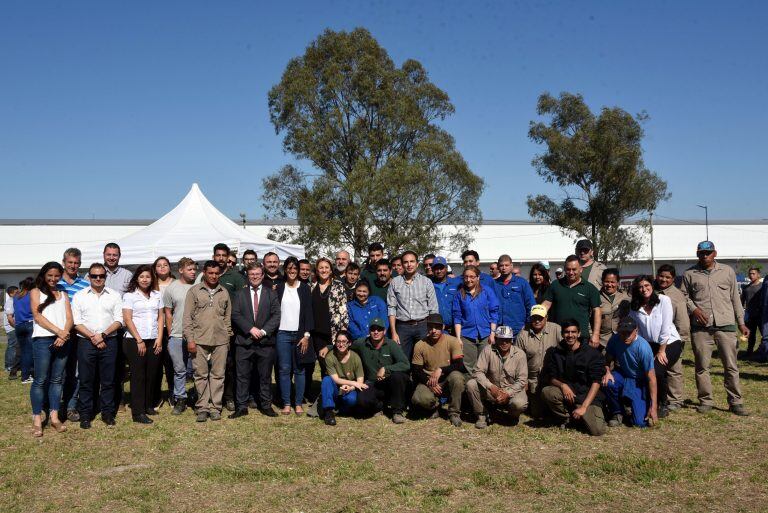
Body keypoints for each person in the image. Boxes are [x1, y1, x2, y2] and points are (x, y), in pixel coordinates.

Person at [681, 241, 749, 416]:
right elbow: (684, 296)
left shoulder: (727, 271)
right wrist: (694, 309)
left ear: (715, 253)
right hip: (701, 328)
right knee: (702, 366)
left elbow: (735, 298)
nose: (705, 256)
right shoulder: (689, 274)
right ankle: (706, 401)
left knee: (731, 366)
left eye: (708, 253)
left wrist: (741, 323)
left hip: (725, 325)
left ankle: (736, 401)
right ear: (697, 254)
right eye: (702, 253)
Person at [320, 317, 410, 424]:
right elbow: (344, 344)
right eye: (373, 329)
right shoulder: (362, 343)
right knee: (362, 402)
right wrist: (329, 347)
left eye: (379, 329)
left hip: (389, 382)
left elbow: (405, 364)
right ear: (369, 331)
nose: (376, 332)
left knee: (398, 376)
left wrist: (386, 368)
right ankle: (381, 406)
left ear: (384, 331)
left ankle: (397, 412)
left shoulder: (391, 344)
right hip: (372, 383)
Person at [71, 263, 123, 428]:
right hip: (86, 342)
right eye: (94, 276)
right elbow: (76, 322)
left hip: (110, 341)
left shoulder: (114, 295)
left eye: (101, 276)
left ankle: (107, 413)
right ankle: (86, 414)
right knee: (86, 380)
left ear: (105, 277)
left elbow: (119, 319)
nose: (98, 278)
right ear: (89, 277)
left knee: (108, 380)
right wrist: (93, 337)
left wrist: (103, 335)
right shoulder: (80, 296)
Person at [183, 261, 233, 422]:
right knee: (201, 375)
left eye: (216, 273)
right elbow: (187, 318)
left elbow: (227, 318)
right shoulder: (194, 291)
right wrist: (190, 340)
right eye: (210, 273)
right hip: (199, 339)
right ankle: (202, 407)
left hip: (220, 340)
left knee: (218, 375)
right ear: (204, 272)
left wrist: (227, 338)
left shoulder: (224, 292)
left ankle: (215, 407)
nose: (213, 276)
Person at [230, 263, 282, 419]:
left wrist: (264, 331)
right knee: (242, 376)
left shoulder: (271, 294)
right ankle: (241, 406)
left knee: (265, 376)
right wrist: (250, 329)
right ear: (247, 275)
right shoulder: (240, 294)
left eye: (257, 274)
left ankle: (266, 405)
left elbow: (276, 315)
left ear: (262, 275)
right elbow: (236, 314)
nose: (254, 276)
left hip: (265, 343)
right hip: (244, 341)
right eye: (251, 274)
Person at [627, 275, 683, 418]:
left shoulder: (663, 301)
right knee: (643, 370)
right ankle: (647, 401)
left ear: (652, 286)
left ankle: (663, 403)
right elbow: (636, 329)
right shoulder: (635, 306)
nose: (644, 289)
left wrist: (662, 350)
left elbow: (666, 327)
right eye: (640, 286)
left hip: (669, 342)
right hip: (649, 344)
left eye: (647, 285)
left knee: (657, 371)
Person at [30, 262, 74, 437]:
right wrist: (59, 332)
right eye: (50, 275)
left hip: (63, 340)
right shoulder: (35, 291)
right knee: (40, 380)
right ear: (44, 275)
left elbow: (70, 317)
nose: (53, 279)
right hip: (42, 339)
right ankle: (37, 418)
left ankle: (54, 416)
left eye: (57, 276)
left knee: (57, 380)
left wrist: (64, 334)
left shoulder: (63, 293)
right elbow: (37, 316)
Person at [541, 319, 606, 436]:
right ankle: (567, 418)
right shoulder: (555, 352)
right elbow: (550, 376)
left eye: (573, 332)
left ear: (579, 333)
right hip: (568, 394)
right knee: (548, 392)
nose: (570, 335)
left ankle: (582, 415)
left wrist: (585, 406)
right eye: (566, 332)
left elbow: (596, 382)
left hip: (587, 396)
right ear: (562, 334)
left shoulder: (591, 353)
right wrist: (562, 385)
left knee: (597, 431)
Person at [122, 265, 164, 424]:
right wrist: (139, 340)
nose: (145, 279)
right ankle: (138, 412)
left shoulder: (157, 295)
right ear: (136, 279)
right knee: (138, 375)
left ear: (152, 278)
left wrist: (159, 339)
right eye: (142, 277)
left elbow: (160, 318)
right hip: (134, 340)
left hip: (153, 338)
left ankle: (148, 405)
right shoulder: (130, 296)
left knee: (151, 374)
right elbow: (127, 319)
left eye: (148, 276)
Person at [466, 325, 527, 429]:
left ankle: (512, 416)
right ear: (496, 339)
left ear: (512, 340)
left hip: (511, 390)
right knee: (471, 384)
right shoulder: (488, 350)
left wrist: (507, 393)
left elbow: (522, 380)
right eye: (501, 339)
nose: (504, 343)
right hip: (493, 389)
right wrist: (490, 386)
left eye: (507, 340)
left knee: (519, 403)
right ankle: (481, 415)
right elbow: (477, 371)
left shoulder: (520, 354)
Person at [274, 258, 314, 415]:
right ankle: (286, 403)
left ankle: (298, 403)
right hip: (282, 334)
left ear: (298, 270)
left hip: (300, 336)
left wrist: (306, 335)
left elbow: (309, 313)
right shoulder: (278, 288)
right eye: (289, 268)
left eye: (294, 268)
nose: (292, 271)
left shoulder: (304, 289)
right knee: (284, 369)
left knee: (299, 370)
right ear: (285, 270)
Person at [602, 317, 659, 428]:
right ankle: (617, 412)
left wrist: (654, 407)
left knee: (640, 423)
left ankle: (639, 404)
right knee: (608, 382)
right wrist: (607, 371)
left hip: (639, 381)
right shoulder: (614, 339)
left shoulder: (643, 348)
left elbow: (652, 379)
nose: (626, 336)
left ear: (636, 331)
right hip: (622, 374)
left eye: (629, 333)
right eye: (623, 333)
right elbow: (607, 360)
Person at [411, 314, 466, 426]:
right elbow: (416, 370)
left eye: (437, 327)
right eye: (430, 327)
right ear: (427, 328)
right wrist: (428, 382)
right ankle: (434, 407)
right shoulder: (420, 345)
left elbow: (460, 365)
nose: (434, 331)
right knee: (417, 398)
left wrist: (441, 369)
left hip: (447, 378)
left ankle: (454, 413)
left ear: (443, 327)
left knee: (458, 378)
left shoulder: (453, 341)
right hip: (428, 379)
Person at [308, 257, 349, 400]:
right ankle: (324, 394)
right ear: (317, 271)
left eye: (326, 267)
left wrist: (341, 335)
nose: (324, 270)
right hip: (316, 334)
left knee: (331, 365)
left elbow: (343, 312)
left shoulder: (338, 286)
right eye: (321, 268)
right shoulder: (312, 286)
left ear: (331, 270)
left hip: (333, 334)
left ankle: (333, 396)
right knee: (322, 364)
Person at [387, 250, 439, 360]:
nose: (409, 264)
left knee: (425, 358)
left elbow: (433, 308)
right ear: (402, 264)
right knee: (402, 360)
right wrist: (394, 332)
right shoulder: (395, 282)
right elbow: (392, 308)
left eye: (412, 261)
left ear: (417, 263)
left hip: (423, 326)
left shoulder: (426, 282)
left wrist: (432, 329)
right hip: (402, 327)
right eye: (406, 262)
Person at [58, 248, 90, 423]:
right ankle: (55, 405)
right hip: (58, 333)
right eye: (70, 262)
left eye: (76, 263)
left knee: (75, 372)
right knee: (57, 373)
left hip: (77, 334)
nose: (73, 265)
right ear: (64, 262)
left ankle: (71, 406)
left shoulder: (85, 285)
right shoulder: (55, 282)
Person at [542, 255, 601, 348]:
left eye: (574, 269)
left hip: (581, 337)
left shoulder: (590, 288)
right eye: (568, 269)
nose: (571, 272)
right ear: (565, 269)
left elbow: (597, 311)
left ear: (581, 269)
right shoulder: (555, 285)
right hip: (559, 336)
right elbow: (546, 305)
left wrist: (596, 334)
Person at [162, 257, 197, 415]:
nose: (193, 272)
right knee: (179, 369)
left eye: (194, 269)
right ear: (181, 270)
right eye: (189, 269)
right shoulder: (171, 288)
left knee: (198, 369)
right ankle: (180, 398)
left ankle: (197, 396)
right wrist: (170, 333)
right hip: (177, 334)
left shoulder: (199, 286)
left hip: (197, 335)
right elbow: (168, 312)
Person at [515, 304, 561, 419]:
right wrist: (523, 380)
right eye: (534, 318)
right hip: (532, 379)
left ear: (546, 318)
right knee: (537, 414)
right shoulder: (523, 334)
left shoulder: (556, 329)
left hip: (552, 377)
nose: (537, 321)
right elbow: (517, 360)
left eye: (540, 318)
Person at [654, 264, 690, 411]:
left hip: (672, 338)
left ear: (673, 279)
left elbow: (682, 320)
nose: (664, 279)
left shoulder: (677, 295)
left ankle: (675, 399)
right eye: (661, 276)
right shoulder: (652, 290)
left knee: (673, 369)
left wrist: (682, 339)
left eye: (668, 277)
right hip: (655, 338)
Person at [102, 242, 133, 413]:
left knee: (119, 365)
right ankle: (102, 398)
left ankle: (119, 399)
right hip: (99, 327)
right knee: (101, 366)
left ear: (119, 256)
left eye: (115, 255)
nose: (112, 257)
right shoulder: (95, 274)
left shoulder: (127, 275)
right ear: (104, 255)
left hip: (120, 327)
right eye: (109, 254)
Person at [453, 265, 500, 374]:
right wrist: (458, 338)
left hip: (485, 335)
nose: (468, 280)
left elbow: (494, 312)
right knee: (471, 367)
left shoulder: (487, 291)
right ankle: (473, 389)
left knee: (486, 365)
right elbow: (457, 317)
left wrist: (492, 333)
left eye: (472, 277)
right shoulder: (459, 295)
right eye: (466, 277)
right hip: (467, 336)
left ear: (478, 277)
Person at [320, 330, 367, 426]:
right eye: (338, 341)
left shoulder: (356, 358)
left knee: (351, 400)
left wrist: (351, 388)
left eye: (344, 341)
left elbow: (360, 381)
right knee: (327, 380)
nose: (341, 344)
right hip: (336, 388)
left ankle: (341, 409)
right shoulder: (330, 357)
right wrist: (353, 383)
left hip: (349, 390)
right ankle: (328, 412)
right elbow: (336, 379)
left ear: (349, 343)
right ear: (335, 342)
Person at [152, 256, 175, 409]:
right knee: (156, 364)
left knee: (172, 364)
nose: (162, 268)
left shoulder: (176, 283)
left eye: (165, 265)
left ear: (169, 267)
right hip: (156, 328)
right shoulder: (151, 285)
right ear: (155, 269)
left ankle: (174, 395)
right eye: (159, 265)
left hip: (173, 328)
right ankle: (157, 396)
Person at [495, 254, 536, 333]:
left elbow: (530, 304)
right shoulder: (494, 284)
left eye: (506, 265)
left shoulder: (522, 283)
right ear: (498, 267)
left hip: (519, 327)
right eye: (501, 265)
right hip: (500, 328)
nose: (504, 268)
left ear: (511, 266)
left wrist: (527, 324)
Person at [598, 269, 630, 348]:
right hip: (602, 342)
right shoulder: (596, 297)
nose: (609, 285)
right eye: (606, 281)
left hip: (622, 340)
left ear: (618, 283)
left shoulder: (626, 297)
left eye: (612, 282)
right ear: (602, 282)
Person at [11, 279, 34, 384]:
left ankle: (25, 374)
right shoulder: (32, 295)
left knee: (23, 352)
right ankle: (26, 375)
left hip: (18, 325)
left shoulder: (16, 297)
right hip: (29, 324)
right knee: (30, 352)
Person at [431, 256, 461, 332]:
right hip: (437, 329)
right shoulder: (428, 284)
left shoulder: (456, 283)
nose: (439, 271)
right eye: (436, 268)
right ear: (432, 270)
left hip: (456, 328)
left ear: (446, 268)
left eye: (441, 268)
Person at [742, 267, 763, 356]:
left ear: (758, 275)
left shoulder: (763, 287)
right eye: (750, 273)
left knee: (765, 334)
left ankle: (762, 350)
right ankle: (749, 352)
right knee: (750, 335)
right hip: (750, 315)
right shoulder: (746, 288)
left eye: (753, 273)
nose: (751, 275)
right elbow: (741, 302)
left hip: (761, 315)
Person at [4, 286, 18, 379]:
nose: (18, 293)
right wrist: (16, 327)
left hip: (14, 327)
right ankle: (9, 366)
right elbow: (10, 318)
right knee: (12, 346)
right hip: (12, 328)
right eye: (16, 292)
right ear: (11, 293)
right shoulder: (10, 301)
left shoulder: (15, 301)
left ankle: (14, 365)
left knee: (15, 347)